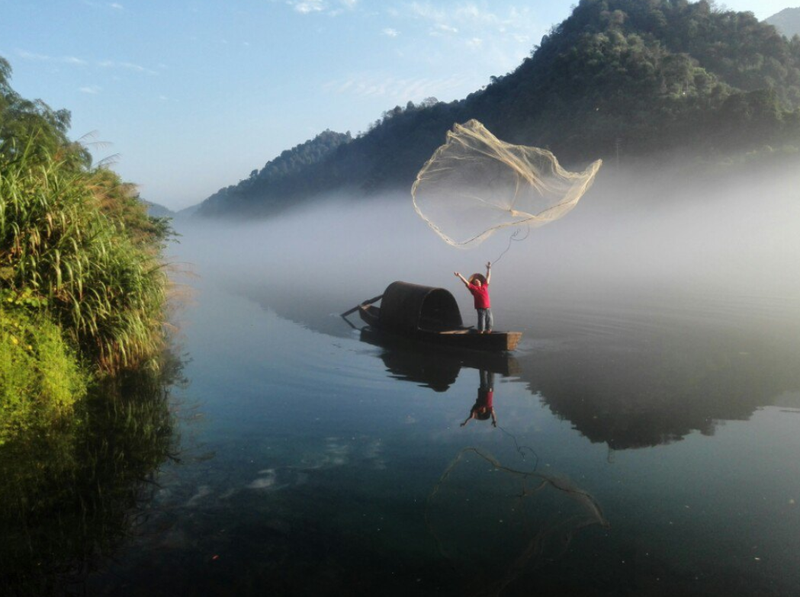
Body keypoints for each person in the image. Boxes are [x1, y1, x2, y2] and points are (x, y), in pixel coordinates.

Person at [454, 261, 493, 333]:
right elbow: (466, 282)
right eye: (475, 281)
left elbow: (488, 277)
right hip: (480, 309)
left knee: (490, 323)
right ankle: (480, 334)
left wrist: (489, 268)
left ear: (481, 282)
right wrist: (459, 275)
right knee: (481, 324)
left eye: (478, 280)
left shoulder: (485, 286)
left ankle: (489, 334)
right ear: (474, 284)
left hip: (488, 308)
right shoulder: (474, 288)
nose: (477, 281)